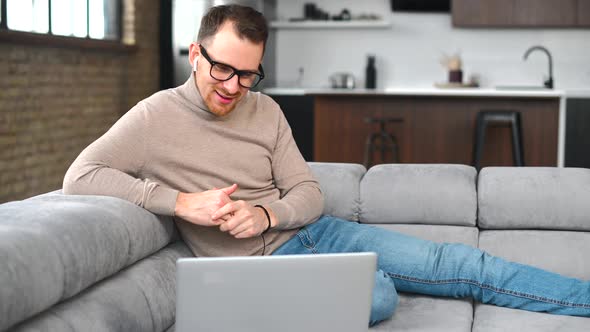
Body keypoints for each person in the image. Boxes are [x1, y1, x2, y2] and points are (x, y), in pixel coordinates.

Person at [63, 4, 589, 326]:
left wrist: (267, 215)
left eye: (248, 74)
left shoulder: (264, 109)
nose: (232, 87)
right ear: (195, 54)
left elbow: (307, 193)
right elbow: (81, 175)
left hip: (320, 234)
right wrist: (180, 203)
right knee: (380, 294)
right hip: (263, 269)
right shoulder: (156, 115)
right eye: (222, 68)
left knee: (462, 264)